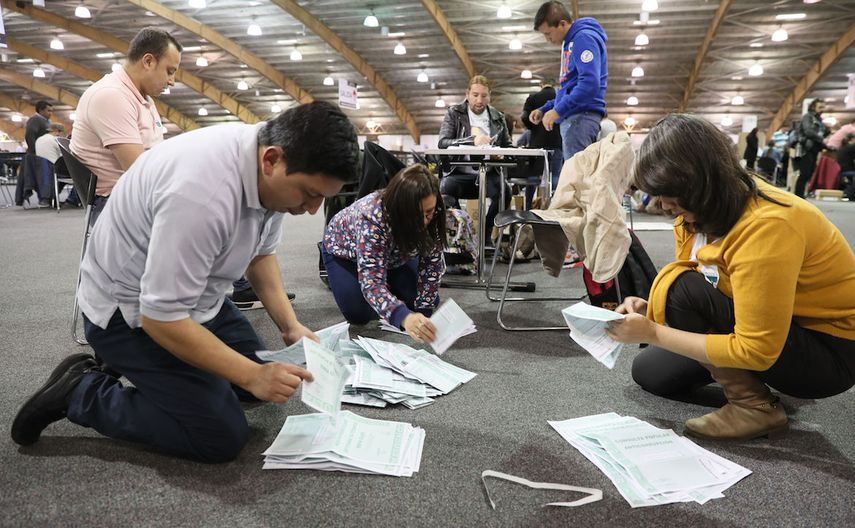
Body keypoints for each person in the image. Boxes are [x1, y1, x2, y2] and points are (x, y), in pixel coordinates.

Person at [11, 101, 360, 462]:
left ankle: (153, 369)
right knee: (221, 434)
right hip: (127, 314)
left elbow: (260, 256)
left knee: (257, 383)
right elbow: (160, 318)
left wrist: (290, 326)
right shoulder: (202, 194)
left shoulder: (269, 162)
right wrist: (252, 374)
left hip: (197, 297)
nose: (312, 209)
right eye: (310, 194)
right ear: (271, 160)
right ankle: (82, 392)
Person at [606, 114, 855, 441]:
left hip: (830, 350)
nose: (664, 205)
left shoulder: (769, 225)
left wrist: (653, 331)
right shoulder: (695, 215)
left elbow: (756, 348)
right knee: (651, 372)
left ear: (700, 182)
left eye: (670, 194)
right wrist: (651, 307)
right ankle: (739, 377)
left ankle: (754, 406)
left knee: (679, 290)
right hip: (775, 322)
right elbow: (706, 280)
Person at [321, 164, 446, 343]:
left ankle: (389, 288)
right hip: (346, 253)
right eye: (416, 214)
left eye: (428, 213)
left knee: (423, 300)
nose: (423, 222)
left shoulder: (435, 211)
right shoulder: (371, 217)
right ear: (401, 208)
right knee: (358, 314)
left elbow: (432, 264)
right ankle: (383, 289)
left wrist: (423, 313)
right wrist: (404, 317)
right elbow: (371, 283)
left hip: (395, 256)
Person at [71, 27, 181, 222]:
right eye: (170, 71)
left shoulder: (142, 97)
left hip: (135, 195)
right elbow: (139, 170)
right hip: (117, 204)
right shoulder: (111, 96)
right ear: (148, 61)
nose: (172, 81)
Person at [529, 1, 607, 163]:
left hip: (581, 118)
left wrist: (558, 110)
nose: (547, 39)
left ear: (562, 24)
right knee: (576, 174)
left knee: (578, 176)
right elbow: (569, 88)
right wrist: (546, 108)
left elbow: (589, 84)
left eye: (548, 34)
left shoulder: (583, 39)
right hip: (576, 117)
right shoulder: (571, 43)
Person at [438, 75, 512, 244]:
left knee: (505, 191)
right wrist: (472, 140)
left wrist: (501, 153)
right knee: (445, 189)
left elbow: (508, 145)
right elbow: (443, 142)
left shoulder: (498, 116)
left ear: (489, 96)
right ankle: (463, 234)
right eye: (475, 95)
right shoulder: (454, 113)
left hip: (489, 174)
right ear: (467, 94)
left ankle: (485, 235)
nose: (479, 100)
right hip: (458, 174)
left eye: (484, 96)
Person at [521, 80, 563, 192]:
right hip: (557, 141)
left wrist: (532, 127)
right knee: (555, 175)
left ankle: (529, 201)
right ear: (554, 85)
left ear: (541, 85)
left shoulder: (533, 98)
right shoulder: (559, 97)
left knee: (532, 177)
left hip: (537, 143)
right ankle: (553, 201)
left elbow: (524, 117)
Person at [34, 123, 81, 207]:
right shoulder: (55, 140)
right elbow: (67, 152)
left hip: (41, 169)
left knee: (61, 179)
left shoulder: (39, 140)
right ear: (58, 132)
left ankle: (50, 198)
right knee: (80, 176)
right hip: (54, 168)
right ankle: (72, 199)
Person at [793, 98, 829, 198]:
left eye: (823, 107)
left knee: (809, 173)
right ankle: (798, 196)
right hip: (806, 148)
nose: (822, 110)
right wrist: (821, 138)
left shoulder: (819, 120)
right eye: (820, 107)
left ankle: (801, 195)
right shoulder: (808, 117)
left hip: (814, 149)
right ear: (813, 107)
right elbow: (808, 131)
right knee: (804, 173)